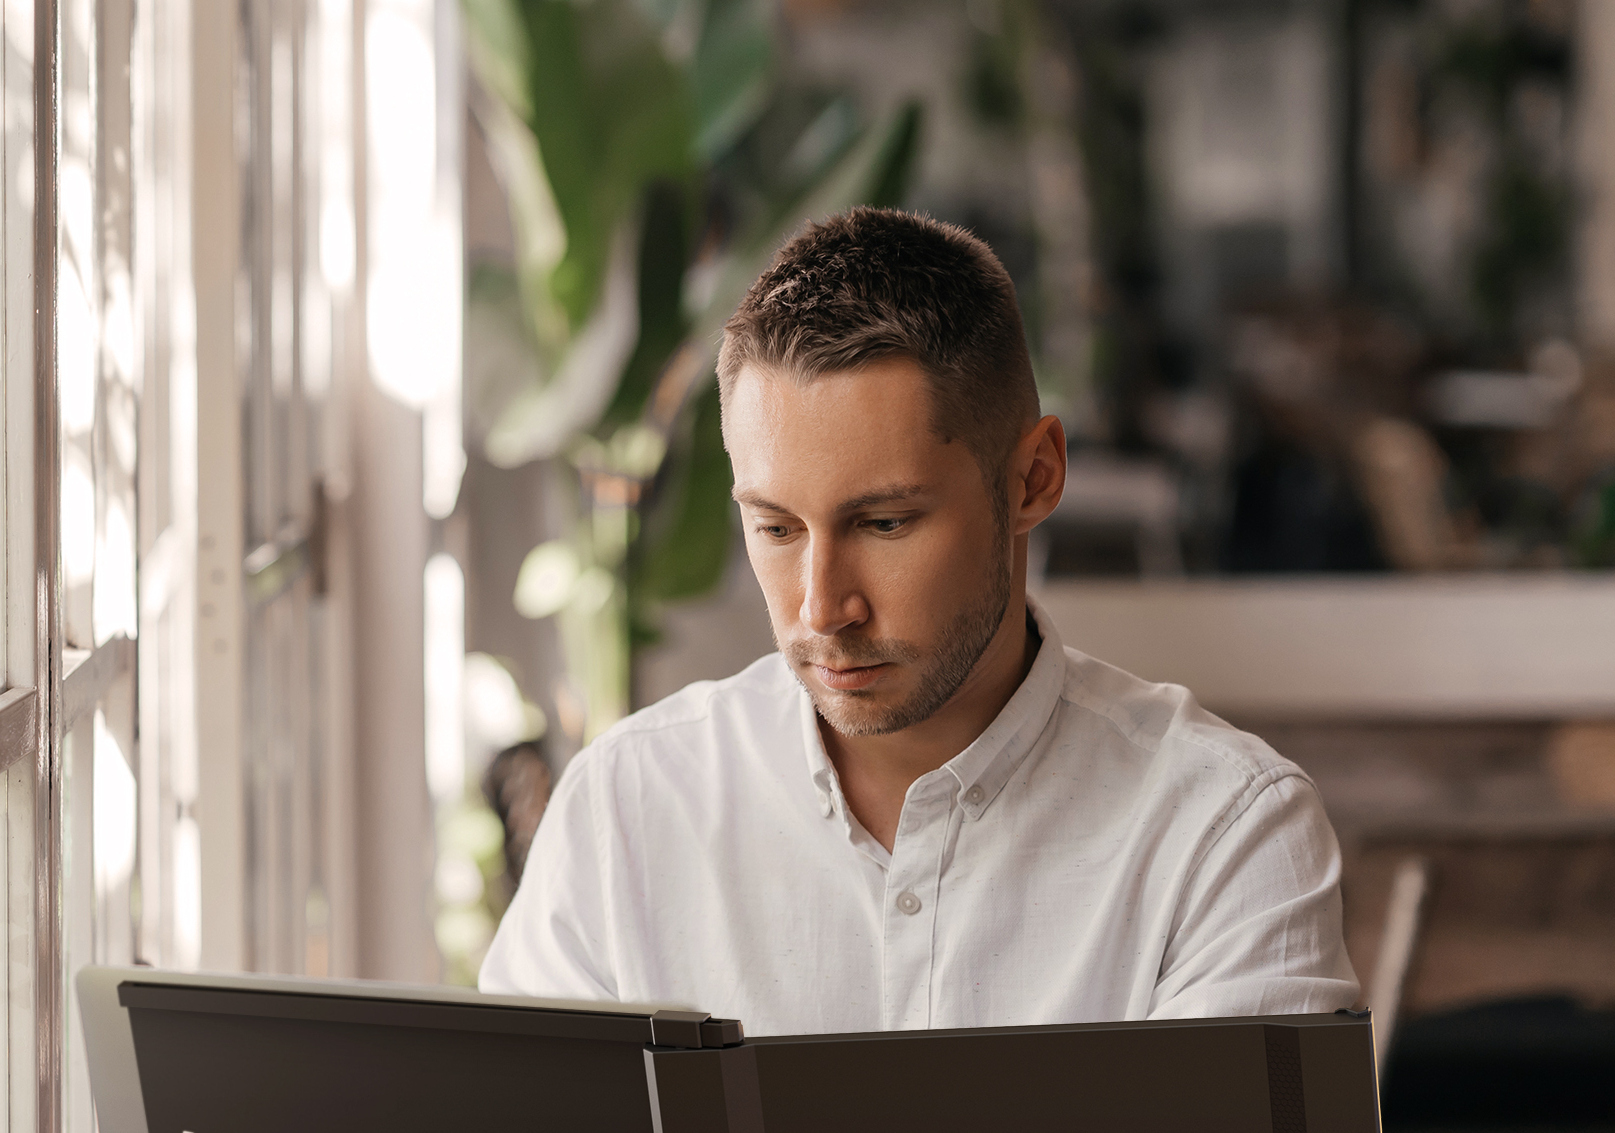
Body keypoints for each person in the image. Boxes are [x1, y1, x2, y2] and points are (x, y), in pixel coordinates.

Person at [479, 207, 1359, 1034]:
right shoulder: (625, 812)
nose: (823, 607)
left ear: (1034, 479)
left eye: (885, 523)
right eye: (776, 529)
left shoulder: (1221, 835)